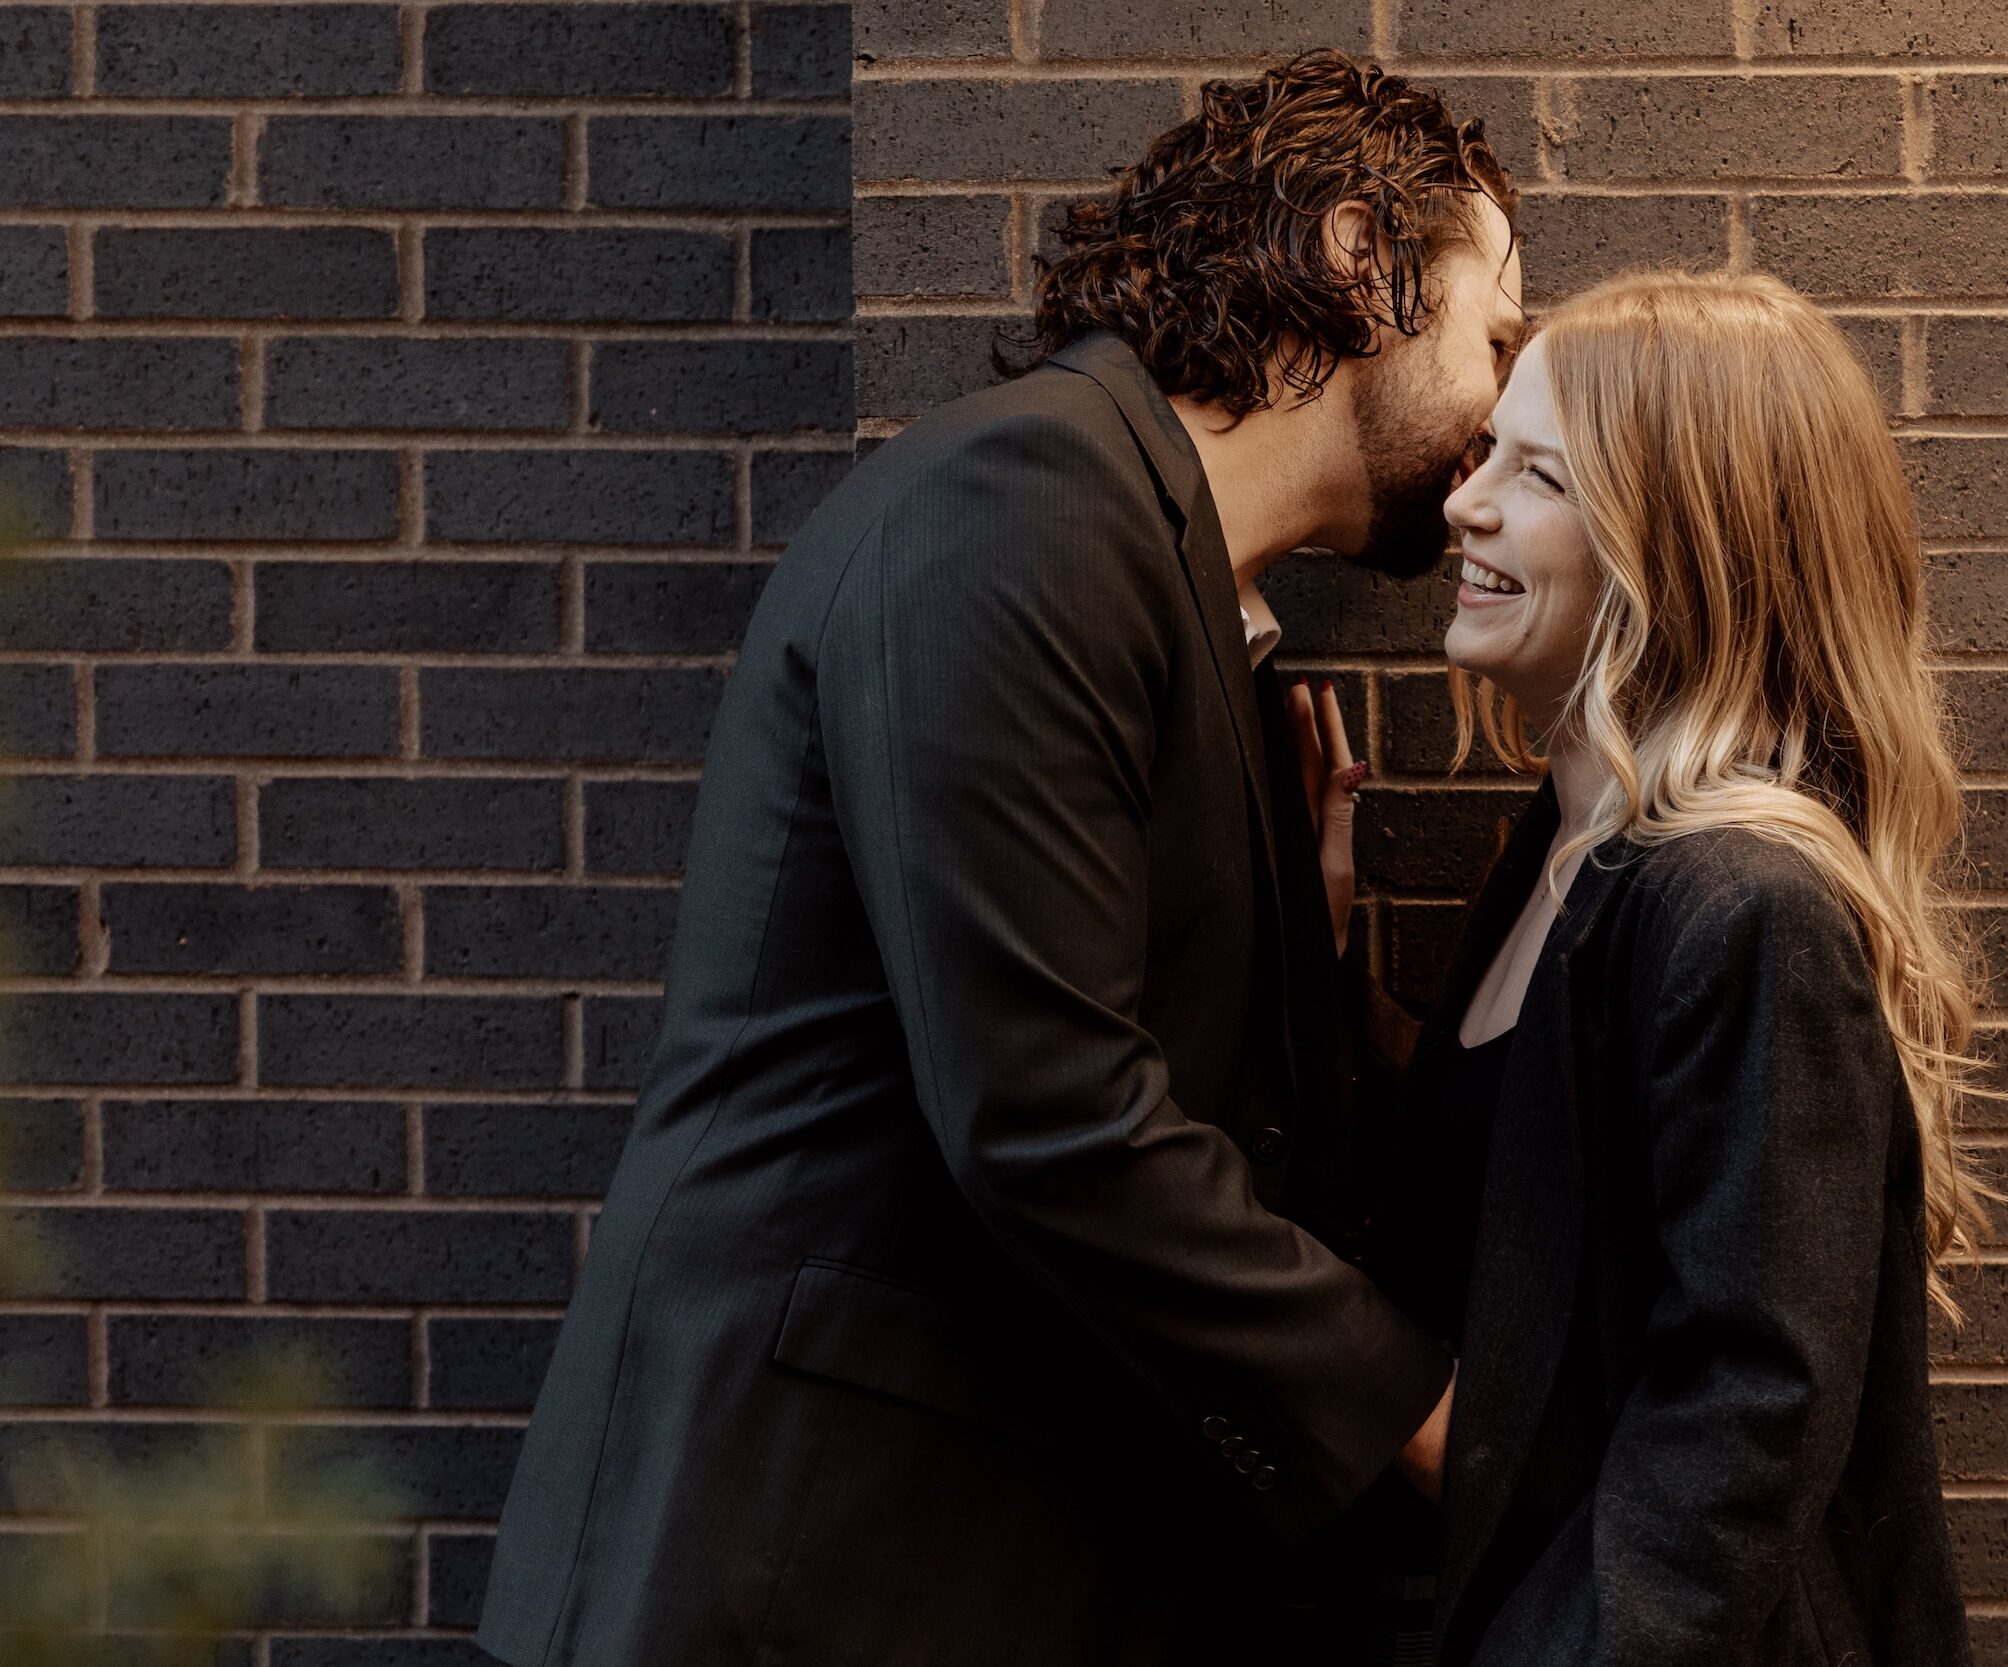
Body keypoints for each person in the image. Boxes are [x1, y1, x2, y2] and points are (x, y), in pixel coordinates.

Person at [474, 51, 1525, 1667]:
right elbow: (1045, 1114)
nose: (1500, 410)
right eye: (1494, 333)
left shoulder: (1197, 607)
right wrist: (1438, 1419)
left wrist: (1299, 964)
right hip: (794, 1565)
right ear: (1353, 257)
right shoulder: (1025, 499)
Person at [1375, 269, 1990, 1667]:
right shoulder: (1572, 853)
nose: (1464, 505)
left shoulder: (1740, 903)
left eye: (1536, 477)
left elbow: (1747, 1412)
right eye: (1486, 457)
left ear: (1679, 547)